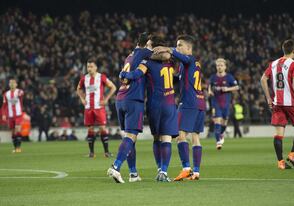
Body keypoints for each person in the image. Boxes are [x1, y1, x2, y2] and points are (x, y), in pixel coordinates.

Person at [107, 35, 174, 183]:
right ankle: (116, 167)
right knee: (131, 137)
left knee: (130, 138)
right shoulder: (145, 54)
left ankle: (133, 173)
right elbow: (165, 55)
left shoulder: (129, 56)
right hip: (133, 100)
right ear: (146, 45)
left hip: (120, 98)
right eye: (150, 46)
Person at [154, 35, 205, 180]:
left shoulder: (189, 60)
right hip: (200, 102)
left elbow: (181, 57)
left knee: (180, 135)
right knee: (195, 137)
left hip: (188, 103)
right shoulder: (193, 63)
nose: (177, 48)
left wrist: (166, 48)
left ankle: (186, 168)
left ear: (188, 48)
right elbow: (179, 79)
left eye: (179, 45)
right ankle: (195, 172)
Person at [260, 39, 294, 170]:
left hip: (277, 103)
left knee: (279, 133)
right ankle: (292, 154)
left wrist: (269, 98)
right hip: (291, 103)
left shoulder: (273, 64)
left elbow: (263, 79)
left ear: (283, 49)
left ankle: (280, 162)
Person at [77, 57, 117, 158]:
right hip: (88, 107)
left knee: (102, 128)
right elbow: (78, 89)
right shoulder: (84, 78)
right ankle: (91, 153)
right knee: (90, 129)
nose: (89, 68)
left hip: (99, 107)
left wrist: (106, 99)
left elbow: (113, 87)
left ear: (96, 67)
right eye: (88, 66)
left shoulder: (101, 77)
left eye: (91, 66)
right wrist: (82, 99)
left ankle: (106, 152)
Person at [208, 58, 239, 149]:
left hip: (225, 104)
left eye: (221, 65)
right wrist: (209, 91)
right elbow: (210, 86)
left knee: (224, 122)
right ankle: (218, 142)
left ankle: (221, 134)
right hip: (216, 103)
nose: (219, 67)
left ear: (225, 67)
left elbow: (236, 87)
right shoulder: (213, 77)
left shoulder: (229, 77)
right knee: (217, 121)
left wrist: (228, 89)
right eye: (218, 65)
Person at [1, 78, 25, 153]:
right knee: (13, 132)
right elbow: (4, 105)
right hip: (10, 116)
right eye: (10, 83)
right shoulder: (6, 94)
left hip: (18, 114)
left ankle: (18, 148)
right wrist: (3, 114)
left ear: (16, 84)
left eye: (13, 83)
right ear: (9, 84)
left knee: (18, 129)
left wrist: (18, 94)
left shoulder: (19, 91)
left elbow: (22, 94)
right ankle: (15, 147)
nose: (12, 84)